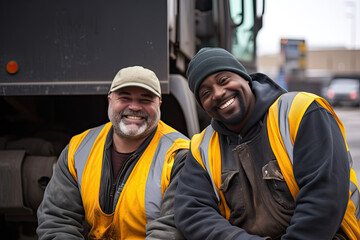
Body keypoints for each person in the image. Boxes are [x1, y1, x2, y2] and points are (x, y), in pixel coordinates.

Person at [174, 47, 360, 240]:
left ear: (245, 78)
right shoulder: (201, 148)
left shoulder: (302, 113)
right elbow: (192, 211)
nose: (218, 93)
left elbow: (323, 199)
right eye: (205, 93)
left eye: (223, 80)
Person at [37, 66, 189, 239]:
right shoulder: (78, 149)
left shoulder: (180, 155)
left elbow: (172, 230)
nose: (134, 107)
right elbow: (58, 220)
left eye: (145, 100)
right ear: (109, 100)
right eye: (125, 98)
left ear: (159, 104)